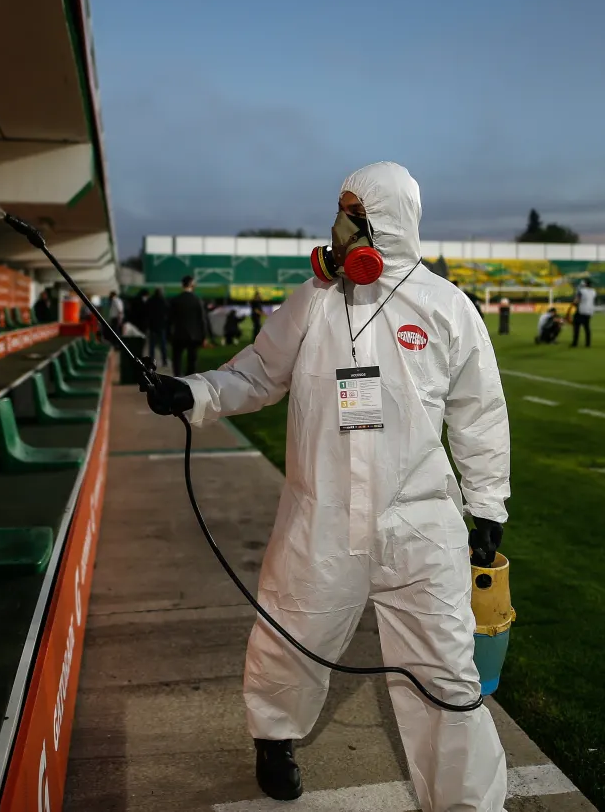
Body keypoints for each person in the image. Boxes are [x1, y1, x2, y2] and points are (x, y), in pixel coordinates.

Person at [142, 162, 510, 810]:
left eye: (353, 212)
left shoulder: (447, 307)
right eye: (340, 210)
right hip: (322, 517)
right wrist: (195, 390)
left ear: (388, 218)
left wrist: (486, 504)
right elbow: (256, 372)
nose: (339, 225)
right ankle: (274, 736)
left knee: (448, 674)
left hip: (421, 526)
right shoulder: (312, 300)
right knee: (292, 631)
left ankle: (466, 802)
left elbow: (480, 412)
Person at [168, 276, 208, 377]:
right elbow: (202, 320)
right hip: (193, 336)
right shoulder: (197, 300)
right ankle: (189, 380)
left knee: (177, 360)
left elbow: (169, 320)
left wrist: (169, 335)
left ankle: (177, 378)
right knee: (192, 361)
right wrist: (204, 336)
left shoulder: (175, 300)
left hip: (178, 334)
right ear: (192, 284)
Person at [144, 289, 170, 368]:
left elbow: (147, 313)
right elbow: (167, 313)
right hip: (161, 326)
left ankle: (151, 362)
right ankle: (164, 361)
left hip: (152, 326)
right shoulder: (164, 301)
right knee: (163, 345)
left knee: (152, 346)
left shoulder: (150, 301)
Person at [571, 279, 596, 348]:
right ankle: (588, 343)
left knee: (576, 327)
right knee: (587, 327)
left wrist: (573, 303)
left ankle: (575, 343)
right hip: (589, 311)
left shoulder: (581, 291)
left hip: (581, 310)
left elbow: (577, 300)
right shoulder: (593, 291)